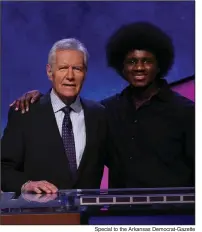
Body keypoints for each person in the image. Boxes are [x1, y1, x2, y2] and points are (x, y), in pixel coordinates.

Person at [9, 22, 195, 188]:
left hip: (173, 214)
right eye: (131, 62)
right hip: (118, 216)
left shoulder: (186, 112)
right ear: (121, 67)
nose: (139, 68)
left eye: (147, 61)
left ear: (160, 65)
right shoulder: (107, 110)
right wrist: (39, 99)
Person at [1, 38, 107, 194]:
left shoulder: (99, 114)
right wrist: (25, 185)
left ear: (85, 73)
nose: (70, 76)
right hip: (39, 215)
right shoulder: (25, 114)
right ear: (50, 72)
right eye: (63, 68)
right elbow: (3, 167)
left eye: (77, 68)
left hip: (87, 216)